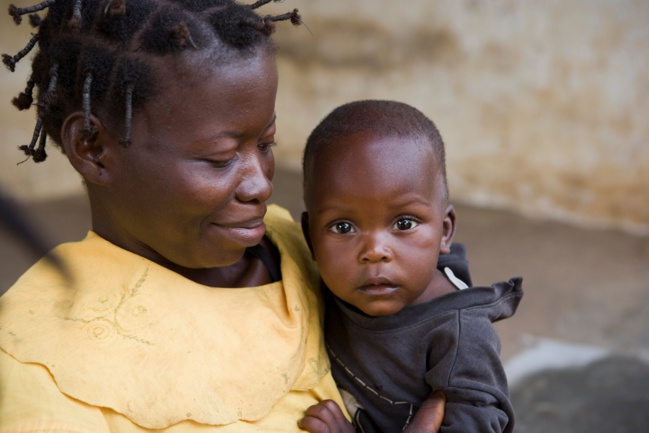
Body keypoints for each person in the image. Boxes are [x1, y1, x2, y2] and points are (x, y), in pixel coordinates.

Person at [0, 2, 448, 432]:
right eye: (220, 158)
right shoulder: (39, 361)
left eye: (266, 144)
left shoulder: (295, 243)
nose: (261, 185)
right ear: (92, 147)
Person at [300, 100, 524, 433]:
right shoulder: (314, 282)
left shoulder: (460, 336)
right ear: (310, 238)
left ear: (444, 231)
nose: (374, 251)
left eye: (404, 223)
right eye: (343, 227)